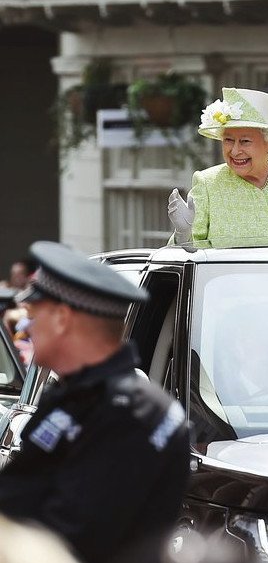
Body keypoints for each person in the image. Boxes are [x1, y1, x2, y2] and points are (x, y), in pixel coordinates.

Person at [0, 241, 189, 563]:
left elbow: (73, 539)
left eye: (33, 314)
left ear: (61, 318)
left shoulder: (130, 414)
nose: (26, 327)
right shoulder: (73, 395)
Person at [167, 87, 268, 248]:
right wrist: (183, 235)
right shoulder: (208, 184)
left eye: (245, 141)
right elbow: (184, 259)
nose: (235, 151)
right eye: (228, 140)